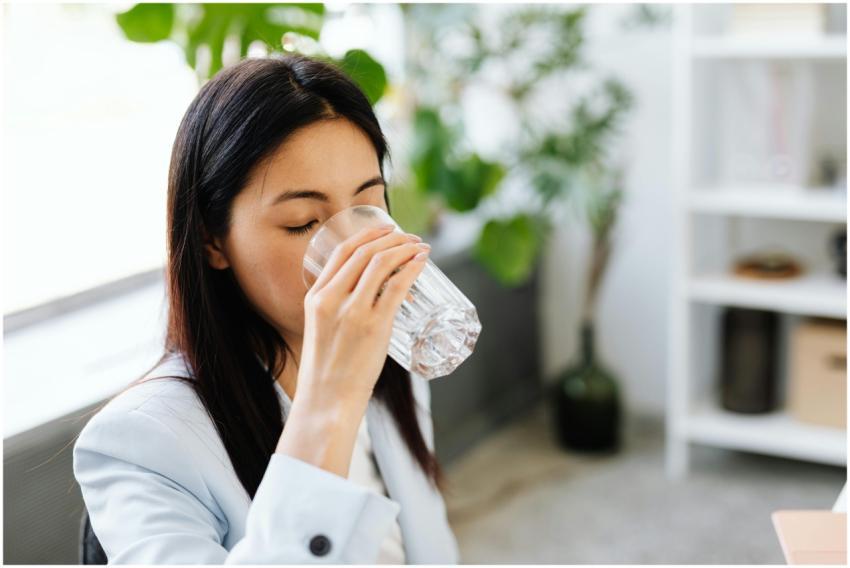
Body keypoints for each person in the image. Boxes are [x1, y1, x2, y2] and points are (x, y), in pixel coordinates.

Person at [72, 52, 459, 564]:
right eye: (303, 222)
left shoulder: (395, 362)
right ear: (213, 241)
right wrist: (331, 399)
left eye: (370, 203)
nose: (353, 249)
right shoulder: (140, 444)